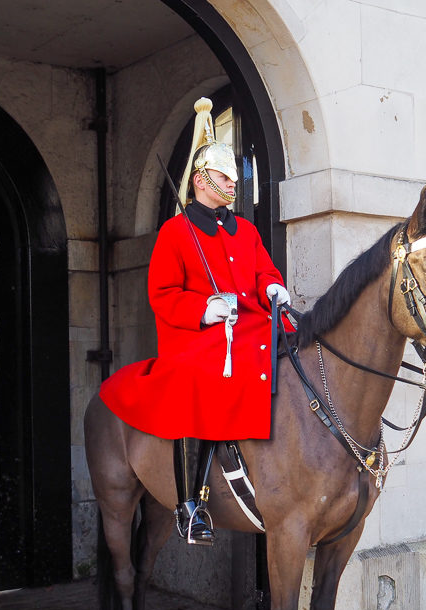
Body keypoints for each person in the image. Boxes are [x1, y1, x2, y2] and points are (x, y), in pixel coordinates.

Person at [99, 97, 291, 545]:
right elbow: (162, 295)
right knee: (197, 381)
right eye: (223, 177)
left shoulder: (244, 230)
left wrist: (272, 288)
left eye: (232, 177)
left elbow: (263, 269)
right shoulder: (176, 232)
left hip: (250, 326)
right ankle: (191, 505)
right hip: (199, 339)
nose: (231, 184)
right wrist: (206, 309)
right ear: (202, 181)